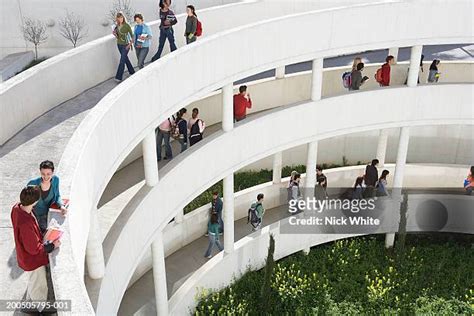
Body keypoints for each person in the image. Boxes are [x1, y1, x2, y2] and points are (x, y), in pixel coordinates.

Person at [11, 186, 60, 313]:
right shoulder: (25, 223)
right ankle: (41, 309)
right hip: (33, 260)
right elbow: (34, 249)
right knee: (39, 285)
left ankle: (29, 305)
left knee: (33, 282)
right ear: (35, 202)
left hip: (25, 257)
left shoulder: (17, 208)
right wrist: (53, 245)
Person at [27, 161, 67, 233]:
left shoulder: (55, 180)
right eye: (43, 174)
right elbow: (26, 202)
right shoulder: (32, 184)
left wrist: (61, 206)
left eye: (48, 174)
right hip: (36, 217)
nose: (45, 177)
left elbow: (57, 195)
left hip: (50, 215)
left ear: (53, 172)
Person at [113, 12, 135, 82]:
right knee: (125, 59)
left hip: (126, 45)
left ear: (123, 18)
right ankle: (132, 71)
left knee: (122, 61)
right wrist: (114, 34)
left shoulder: (127, 26)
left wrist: (129, 45)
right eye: (119, 18)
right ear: (117, 19)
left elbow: (133, 36)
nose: (120, 19)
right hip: (119, 45)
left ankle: (118, 77)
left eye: (121, 17)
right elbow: (118, 37)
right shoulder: (116, 26)